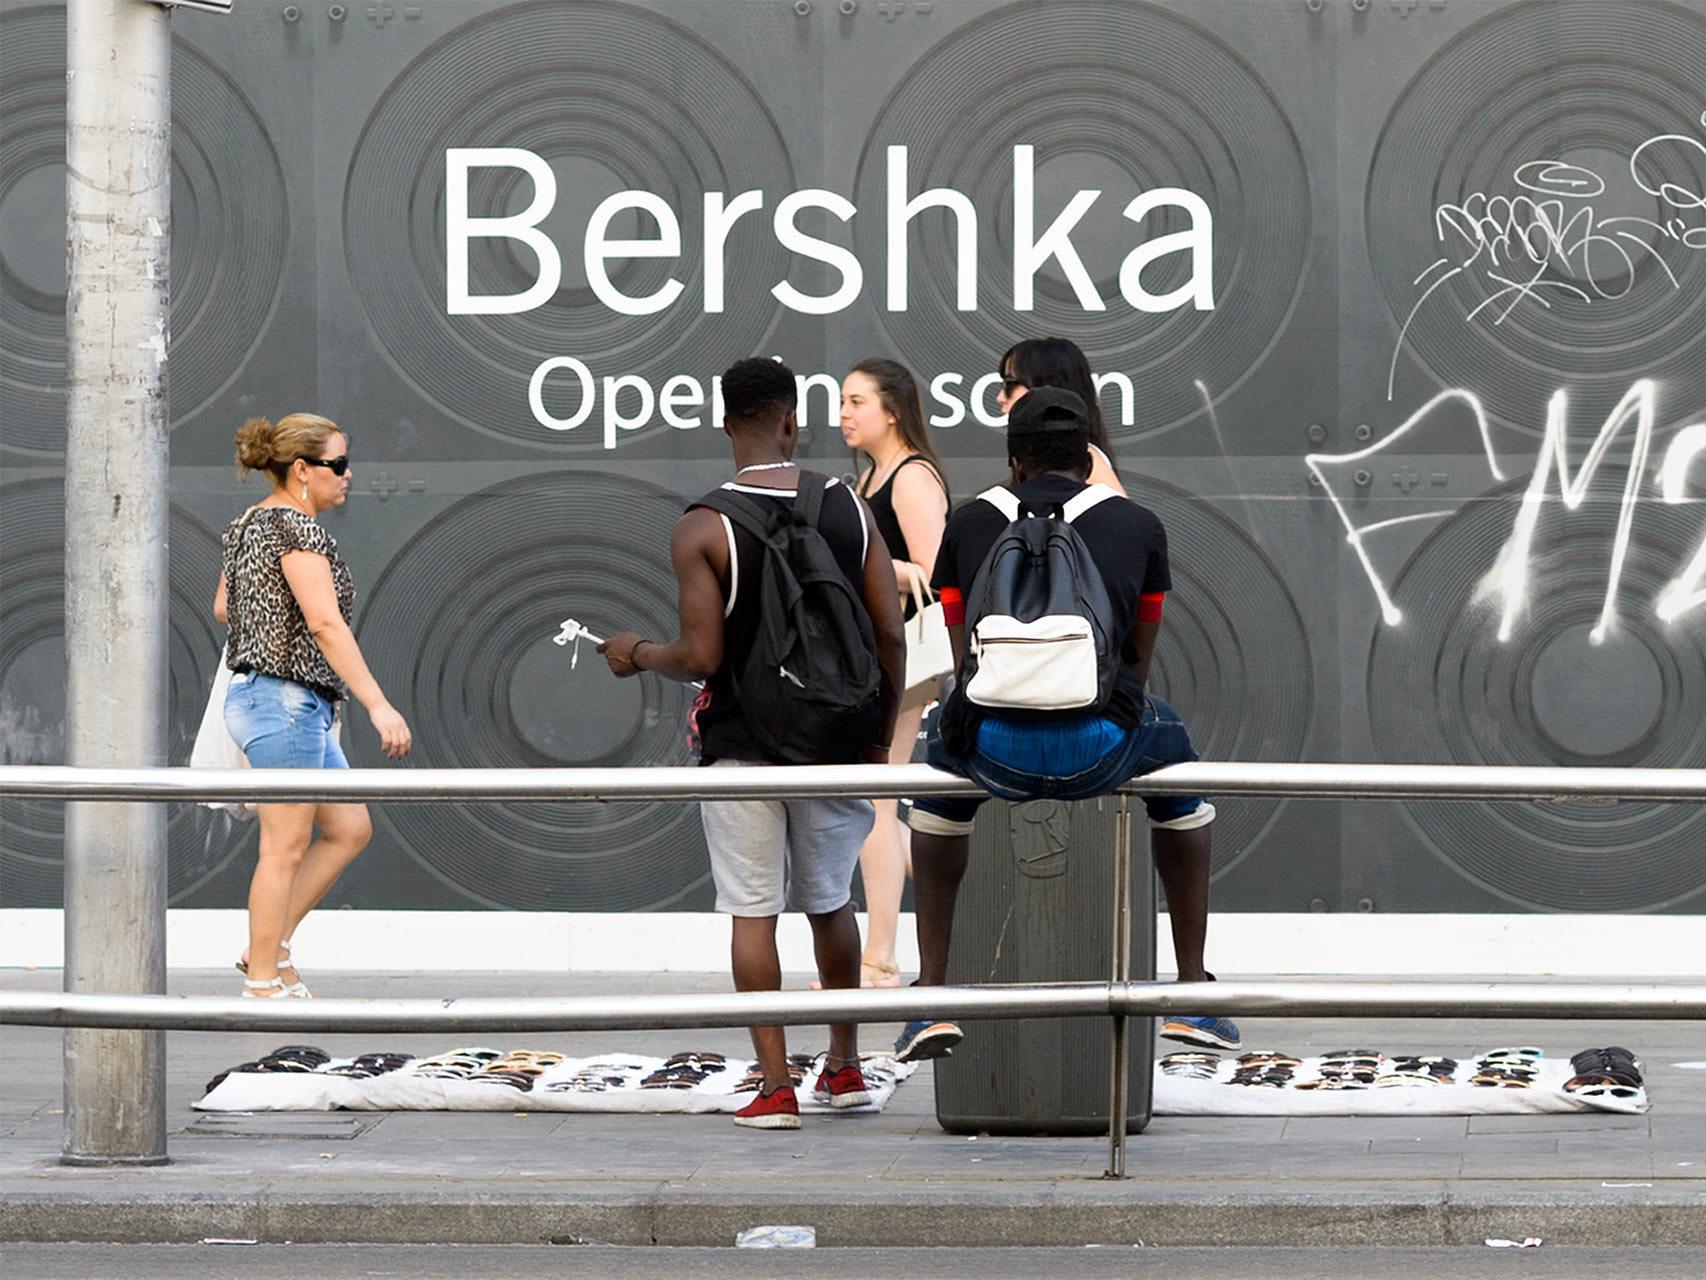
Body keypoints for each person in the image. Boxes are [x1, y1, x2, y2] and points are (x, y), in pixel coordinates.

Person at [599, 357, 905, 1130]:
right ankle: (844, 1069)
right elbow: (890, 632)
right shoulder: (846, 504)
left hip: (742, 743)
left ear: (724, 425)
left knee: (752, 912)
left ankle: (774, 1089)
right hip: (836, 740)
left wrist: (638, 653)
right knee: (831, 902)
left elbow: (701, 656)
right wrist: (877, 738)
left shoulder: (702, 526)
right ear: (791, 422)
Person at [894, 387, 1239, 1063]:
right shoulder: (1138, 525)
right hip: (1102, 747)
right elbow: (1136, 663)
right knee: (1181, 777)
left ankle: (930, 997)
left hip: (991, 748)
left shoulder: (969, 523)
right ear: (1088, 455)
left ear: (1014, 458)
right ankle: (1192, 991)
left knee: (936, 788)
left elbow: (964, 659)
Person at [215, 414, 412, 999]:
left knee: (349, 827)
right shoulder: (298, 530)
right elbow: (326, 623)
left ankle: (266, 947)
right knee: (284, 847)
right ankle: (261, 982)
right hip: (285, 702)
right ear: (302, 469)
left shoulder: (248, 524)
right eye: (339, 464)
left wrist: (271, 622)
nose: (348, 475)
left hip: (276, 700)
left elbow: (225, 606)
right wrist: (378, 704)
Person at [840, 358, 950, 989]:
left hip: (906, 656)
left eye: (857, 401)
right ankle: (971, 883)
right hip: (878, 657)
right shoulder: (869, 477)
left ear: (892, 410)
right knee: (874, 804)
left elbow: (936, 575)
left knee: (875, 803)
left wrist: (875, 564)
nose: (844, 413)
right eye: (843, 401)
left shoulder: (911, 478)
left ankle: (879, 957)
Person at [996, 337, 1126, 494]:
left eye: (1009, 384)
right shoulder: (1070, 458)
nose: (1000, 398)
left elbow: (1120, 509)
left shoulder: (1082, 458)